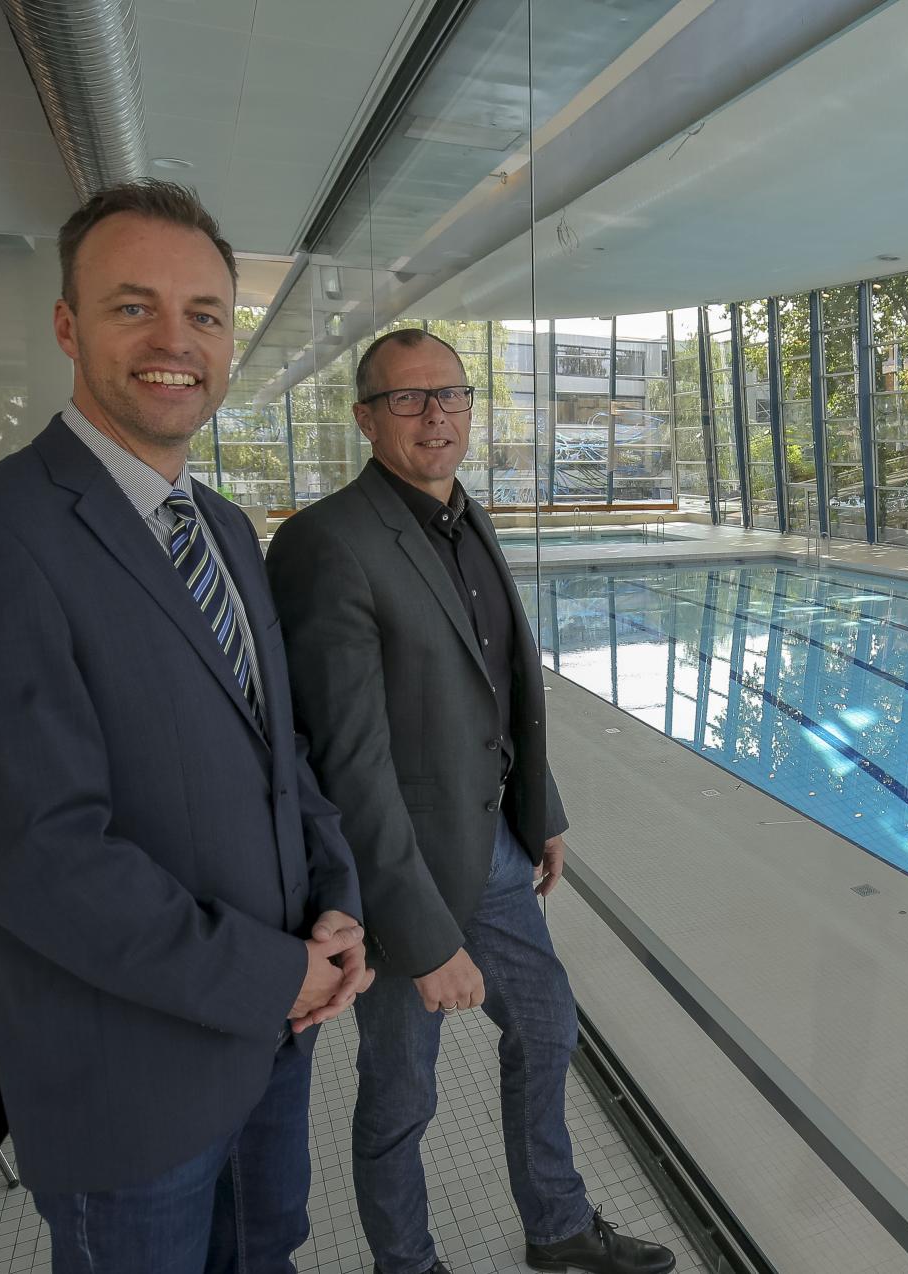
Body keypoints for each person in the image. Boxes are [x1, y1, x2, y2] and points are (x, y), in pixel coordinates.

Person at [0, 180, 373, 1274]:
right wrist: (269, 973)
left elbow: (275, 747)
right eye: (132, 306)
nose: (175, 340)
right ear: (67, 323)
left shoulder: (228, 528)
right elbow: (37, 852)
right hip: (131, 1072)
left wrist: (337, 899)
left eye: (205, 313)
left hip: (271, 1033)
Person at [266, 329, 675, 1274]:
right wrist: (420, 936)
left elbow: (500, 685)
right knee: (402, 1091)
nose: (436, 416)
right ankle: (406, 1265)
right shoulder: (328, 542)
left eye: (451, 395)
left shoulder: (462, 515)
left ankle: (558, 1228)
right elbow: (348, 761)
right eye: (409, 400)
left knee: (547, 1026)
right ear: (366, 419)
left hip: (489, 847)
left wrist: (544, 807)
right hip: (394, 875)